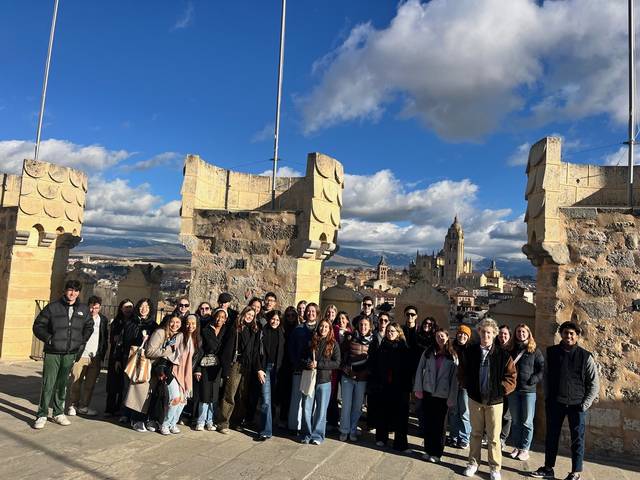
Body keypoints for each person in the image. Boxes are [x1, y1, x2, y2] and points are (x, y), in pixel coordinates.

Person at [531, 322, 599, 480]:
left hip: (577, 405)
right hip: (555, 402)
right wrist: (548, 397)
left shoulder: (586, 356)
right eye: (566, 333)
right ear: (561, 334)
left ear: (577, 336)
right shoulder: (552, 352)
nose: (568, 336)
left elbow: (594, 384)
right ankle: (548, 468)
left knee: (578, 439)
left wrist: (585, 404)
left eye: (572, 334)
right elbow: (546, 376)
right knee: (551, 437)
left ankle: (575, 472)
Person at [459, 318, 516, 480]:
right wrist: (467, 385)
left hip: (495, 402)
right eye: (483, 332)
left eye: (489, 332)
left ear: (494, 334)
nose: (486, 335)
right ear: (479, 332)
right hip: (475, 398)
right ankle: (473, 463)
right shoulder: (470, 351)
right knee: (475, 433)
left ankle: (495, 468)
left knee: (494, 437)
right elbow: (461, 370)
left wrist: (501, 390)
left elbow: (511, 376)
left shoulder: (503, 355)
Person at [32, 280, 93, 429]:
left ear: (79, 293)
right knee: (48, 383)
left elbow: (89, 326)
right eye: (70, 290)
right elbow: (38, 326)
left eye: (76, 291)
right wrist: (49, 339)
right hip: (53, 352)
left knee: (62, 384)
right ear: (65, 291)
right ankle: (42, 414)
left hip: (70, 353)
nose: (73, 294)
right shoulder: (53, 307)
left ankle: (58, 413)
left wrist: (80, 341)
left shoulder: (83, 309)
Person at [414, 328, 458, 463]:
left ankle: (437, 453)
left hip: (443, 395)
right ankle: (427, 450)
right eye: (438, 336)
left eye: (443, 336)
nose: (440, 338)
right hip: (428, 392)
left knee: (440, 426)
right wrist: (418, 388)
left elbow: (455, 379)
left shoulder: (452, 356)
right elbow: (419, 369)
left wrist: (452, 398)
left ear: (447, 338)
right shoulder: (428, 352)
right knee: (428, 422)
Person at [368, 322, 412, 451]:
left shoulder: (404, 348)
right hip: (384, 385)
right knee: (382, 413)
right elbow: (375, 365)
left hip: (400, 387)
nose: (390, 333)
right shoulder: (382, 347)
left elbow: (408, 370)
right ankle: (381, 438)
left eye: (392, 331)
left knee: (401, 417)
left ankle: (400, 444)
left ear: (399, 333)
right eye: (388, 331)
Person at [218, 306, 258, 434]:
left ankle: (236, 421)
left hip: (247, 366)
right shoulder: (235, 329)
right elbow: (227, 350)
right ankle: (223, 422)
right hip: (236, 364)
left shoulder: (254, 330)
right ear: (243, 314)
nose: (249, 317)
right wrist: (225, 370)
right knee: (230, 393)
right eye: (248, 314)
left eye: (252, 316)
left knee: (242, 395)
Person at [300, 319, 341, 445]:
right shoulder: (311, 341)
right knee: (306, 408)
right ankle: (306, 434)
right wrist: (308, 363)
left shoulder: (333, 344)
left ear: (330, 330)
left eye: (326, 327)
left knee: (321, 410)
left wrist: (319, 364)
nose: (323, 329)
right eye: (321, 326)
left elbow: (337, 363)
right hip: (310, 379)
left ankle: (317, 435)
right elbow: (302, 357)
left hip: (324, 381)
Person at [507, 324, 544, 461]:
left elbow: (541, 368)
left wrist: (533, 379)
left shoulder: (534, 350)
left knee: (527, 422)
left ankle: (525, 449)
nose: (521, 334)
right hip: (514, 390)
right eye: (518, 331)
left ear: (528, 333)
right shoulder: (511, 349)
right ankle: (516, 446)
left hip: (528, 391)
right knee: (516, 421)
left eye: (524, 332)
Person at [121, 298, 158, 431]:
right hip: (129, 357)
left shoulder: (153, 325)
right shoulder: (130, 322)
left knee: (137, 388)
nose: (144, 309)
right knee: (127, 386)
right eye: (142, 306)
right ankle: (126, 413)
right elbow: (125, 341)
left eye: (147, 307)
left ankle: (134, 416)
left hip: (143, 361)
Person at [67, 295, 108, 417]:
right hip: (81, 355)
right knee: (76, 381)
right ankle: (73, 405)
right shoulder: (81, 318)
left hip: (95, 356)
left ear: (99, 308)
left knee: (90, 384)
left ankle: (84, 406)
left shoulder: (103, 320)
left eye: (96, 308)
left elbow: (104, 338)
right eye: (91, 308)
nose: (93, 310)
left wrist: (102, 354)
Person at [159, 314, 200, 435]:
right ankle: (165, 424)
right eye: (188, 323)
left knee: (183, 401)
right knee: (175, 399)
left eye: (193, 323)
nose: (190, 325)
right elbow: (166, 351)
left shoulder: (196, 339)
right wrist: (162, 369)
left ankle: (173, 423)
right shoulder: (179, 336)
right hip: (173, 371)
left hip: (185, 374)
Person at [143, 315, 183, 433]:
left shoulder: (176, 336)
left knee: (162, 395)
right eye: (172, 322)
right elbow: (149, 351)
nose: (175, 325)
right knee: (156, 394)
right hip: (155, 367)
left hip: (167, 368)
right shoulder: (160, 332)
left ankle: (159, 421)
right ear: (167, 322)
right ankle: (152, 420)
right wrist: (168, 350)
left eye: (178, 322)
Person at [339, 317, 373, 442]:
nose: (363, 327)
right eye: (361, 325)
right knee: (346, 406)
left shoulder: (373, 341)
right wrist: (344, 367)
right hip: (348, 377)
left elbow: (373, 361)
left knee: (357, 407)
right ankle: (344, 430)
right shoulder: (350, 338)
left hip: (362, 379)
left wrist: (367, 373)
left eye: (366, 325)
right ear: (358, 325)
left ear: (370, 327)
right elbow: (340, 354)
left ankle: (353, 430)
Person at [254, 310, 285, 441]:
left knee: (273, 401)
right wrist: (259, 369)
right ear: (269, 319)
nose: (275, 322)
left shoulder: (282, 334)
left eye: (278, 320)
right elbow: (256, 352)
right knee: (266, 400)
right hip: (265, 368)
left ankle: (269, 426)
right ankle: (266, 431)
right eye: (273, 319)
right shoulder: (262, 332)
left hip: (277, 370)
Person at [287, 302, 319, 432]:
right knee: (296, 398)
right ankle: (294, 426)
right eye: (308, 311)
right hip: (299, 368)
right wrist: (298, 363)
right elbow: (292, 349)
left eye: (313, 311)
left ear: (317, 313)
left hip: (313, 370)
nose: (310, 313)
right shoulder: (298, 329)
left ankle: (307, 427)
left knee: (310, 400)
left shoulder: (320, 329)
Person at [195, 308, 227, 431]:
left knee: (214, 394)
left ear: (225, 320)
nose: (220, 319)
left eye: (223, 317)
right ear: (214, 317)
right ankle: (200, 420)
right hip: (206, 364)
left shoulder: (226, 331)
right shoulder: (206, 330)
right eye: (218, 316)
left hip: (218, 366)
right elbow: (201, 350)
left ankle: (210, 420)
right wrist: (197, 368)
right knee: (204, 393)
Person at [105, 298, 134, 417]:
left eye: (130, 307)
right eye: (126, 307)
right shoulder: (116, 322)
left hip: (128, 355)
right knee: (113, 383)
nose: (128, 309)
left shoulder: (134, 322)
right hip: (116, 355)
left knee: (124, 384)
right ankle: (110, 408)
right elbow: (112, 339)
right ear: (121, 309)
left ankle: (121, 408)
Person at [448, 324, 472, 449]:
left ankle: (464, 437)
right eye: (460, 333)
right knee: (453, 411)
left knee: (464, 412)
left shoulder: (471, 350)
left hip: (465, 385)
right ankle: (453, 436)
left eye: (465, 334)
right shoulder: (451, 348)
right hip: (453, 383)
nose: (462, 336)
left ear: (468, 337)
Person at [277, 306, 299, 427]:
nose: (290, 317)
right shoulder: (282, 328)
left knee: (293, 393)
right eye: (288, 315)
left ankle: (291, 419)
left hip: (293, 363)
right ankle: (282, 417)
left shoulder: (298, 328)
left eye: (293, 315)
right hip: (283, 364)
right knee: (283, 392)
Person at [328, 307, 349, 430]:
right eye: (339, 318)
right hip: (335, 367)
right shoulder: (332, 331)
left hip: (346, 368)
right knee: (333, 394)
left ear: (347, 320)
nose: (341, 320)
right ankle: (332, 420)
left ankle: (344, 422)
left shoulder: (351, 332)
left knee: (345, 396)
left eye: (343, 318)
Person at [497, 324, 513, 449]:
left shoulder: (514, 350)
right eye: (501, 334)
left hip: (507, 386)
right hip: (494, 386)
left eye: (505, 334)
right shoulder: (493, 347)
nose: (503, 336)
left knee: (506, 415)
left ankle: (502, 438)